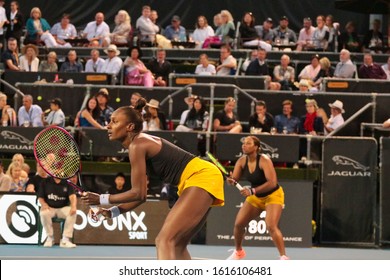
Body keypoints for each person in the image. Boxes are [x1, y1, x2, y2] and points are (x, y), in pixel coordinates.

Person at [81, 99, 224, 259]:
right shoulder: (139, 143)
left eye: (114, 121)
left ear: (129, 127)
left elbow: (136, 193)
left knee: (164, 240)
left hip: (201, 175)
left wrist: (101, 198)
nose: (108, 125)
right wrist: (112, 212)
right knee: (177, 244)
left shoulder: (137, 145)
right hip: (202, 175)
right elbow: (141, 195)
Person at [226, 135, 289, 260]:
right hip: (256, 197)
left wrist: (252, 190)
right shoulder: (241, 161)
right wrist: (231, 181)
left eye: (248, 143)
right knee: (239, 224)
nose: (244, 145)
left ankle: (283, 257)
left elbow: (272, 182)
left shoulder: (264, 160)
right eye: (244, 143)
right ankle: (239, 252)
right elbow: (234, 180)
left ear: (256, 147)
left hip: (273, 195)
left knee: (271, 225)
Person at [38, 174, 77, 248]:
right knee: (43, 213)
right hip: (50, 208)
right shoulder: (45, 182)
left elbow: (72, 196)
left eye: (59, 169)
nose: (56, 171)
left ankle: (65, 240)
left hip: (63, 208)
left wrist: (73, 206)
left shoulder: (68, 182)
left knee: (72, 212)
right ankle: (50, 238)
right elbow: (40, 197)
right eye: (55, 169)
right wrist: (44, 204)